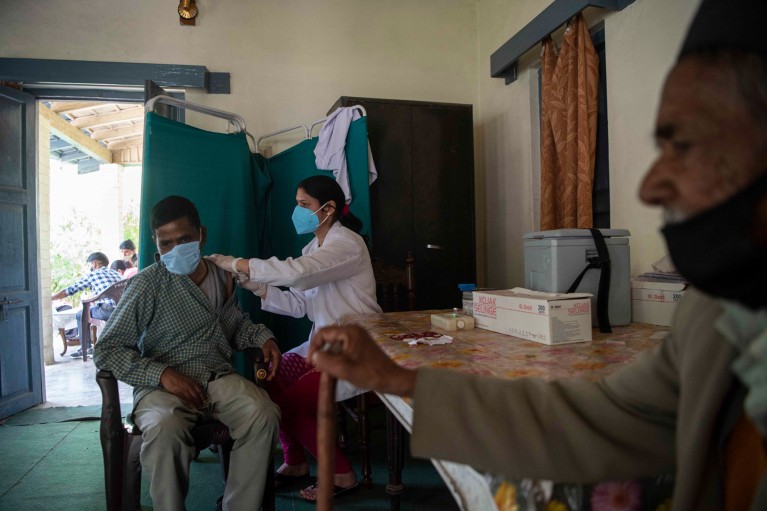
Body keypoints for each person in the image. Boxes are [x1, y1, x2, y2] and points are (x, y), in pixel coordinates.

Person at [307, 2, 767, 510]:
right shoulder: (719, 315)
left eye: (687, 144)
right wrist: (398, 379)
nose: (651, 185)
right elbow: (607, 418)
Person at [93, 195, 282, 511]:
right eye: (165, 243)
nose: (175, 249)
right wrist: (163, 375)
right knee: (164, 425)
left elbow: (234, 325)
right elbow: (107, 349)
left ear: (201, 235)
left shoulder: (222, 276)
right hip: (160, 388)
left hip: (217, 378)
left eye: (184, 240)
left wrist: (264, 338)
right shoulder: (147, 284)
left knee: (262, 413)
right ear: (156, 244)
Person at [208, 175, 382, 502]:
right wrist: (256, 286)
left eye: (304, 204)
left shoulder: (347, 244)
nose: (297, 211)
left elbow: (299, 273)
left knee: (286, 407)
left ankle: (341, 474)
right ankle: (296, 461)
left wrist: (238, 263)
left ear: (328, 209)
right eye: (297, 203)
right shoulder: (312, 248)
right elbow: (300, 305)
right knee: (271, 375)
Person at [51, 251, 122, 358]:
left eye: (90, 264)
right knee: (94, 309)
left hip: (108, 311)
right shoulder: (117, 274)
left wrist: (50, 298)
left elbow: (68, 291)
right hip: (123, 309)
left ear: (94, 264)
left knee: (80, 314)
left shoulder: (92, 275)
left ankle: (86, 348)